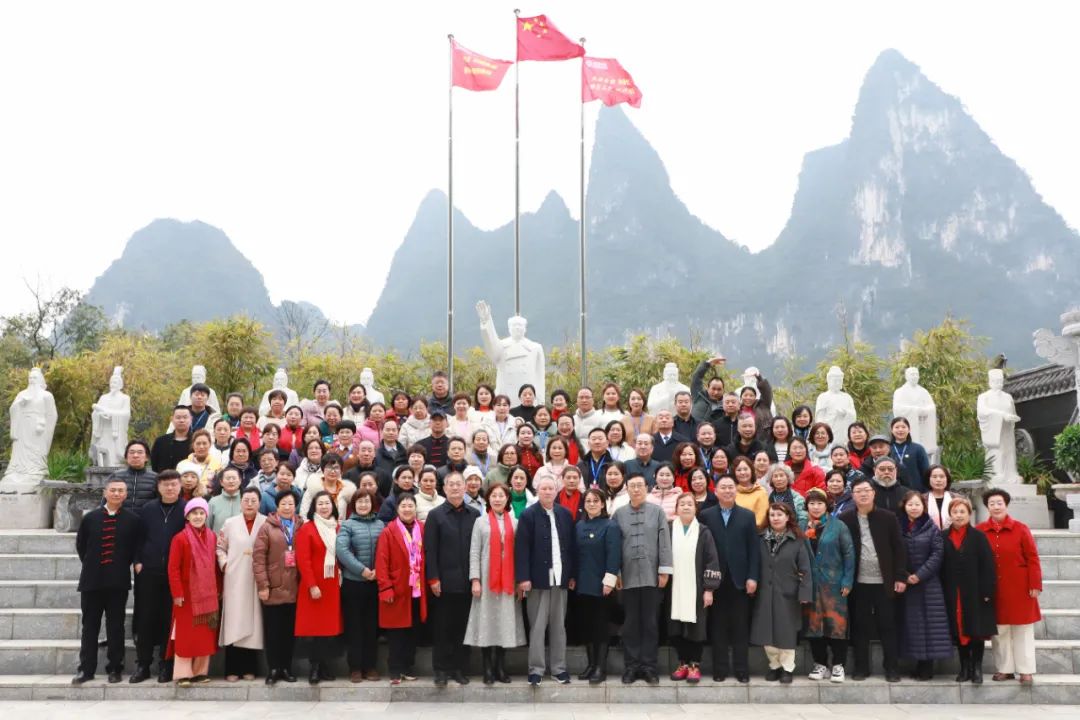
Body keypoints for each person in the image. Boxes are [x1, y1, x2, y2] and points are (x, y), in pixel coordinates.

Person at [73, 477, 141, 685]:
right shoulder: (90, 518)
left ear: (126, 494)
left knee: (116, 627)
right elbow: (82, 546)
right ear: (105, 493)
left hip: (117, 581)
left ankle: (115, 668)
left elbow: (135, 549)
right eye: (113, 490)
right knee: (89, 626)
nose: (116, 494)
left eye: (121, 490)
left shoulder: (133, 520)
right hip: (92, 580)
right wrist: (94, 564)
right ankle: (86, 669)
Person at [840, 477, 908, 682]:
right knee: (860, 626)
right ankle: (861, 667)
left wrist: (900, 576)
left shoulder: (888, 517)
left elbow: (899, 548)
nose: (863, 494)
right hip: (858, 583)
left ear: (873, 493)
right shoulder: (845, 518)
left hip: (884, 582)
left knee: (888, 625)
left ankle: (892, 668)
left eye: (866, 490)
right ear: (852, 496)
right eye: (858, 491)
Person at [613, 474, 673, 685]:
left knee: (650, 623)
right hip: (627, 577)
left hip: (651, 576)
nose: (636, 489)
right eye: (632, 486)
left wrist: (664, 570)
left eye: (640, 485)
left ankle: (649, 667)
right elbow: (614, 546)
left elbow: (664, 543)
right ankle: (631, 666)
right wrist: (616, 573)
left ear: (647, 488)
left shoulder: (657, 512)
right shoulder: (619, 514)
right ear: (627, 489)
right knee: (630, 624)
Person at [977, 488, 1042, 684]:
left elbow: (1032, 558)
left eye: (999, 503)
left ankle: (1026, 670)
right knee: (1000, 630)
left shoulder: (1021, 528)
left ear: (1006, 505)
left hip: (1020, 587)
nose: (996, 507)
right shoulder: (980, 530)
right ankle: (1005, 669)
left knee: (1023, 629)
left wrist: (1035, 583)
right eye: (992, 504)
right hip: (993, 589)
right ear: (987, 507)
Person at [699, 475, 760, 683]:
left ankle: (742, 670)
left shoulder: (747, 516)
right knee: (718, 627)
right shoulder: (706, 515)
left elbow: (754, 549)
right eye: (723, 487)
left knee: (740, 627)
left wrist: (752, 577)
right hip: (714, 579)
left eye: (730, 487)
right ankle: (720, 669)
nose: (727, 491)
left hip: (740, 580)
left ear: (736, 490)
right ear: (715, 492)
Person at [515, 475, 575, 686]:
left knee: (559, 626)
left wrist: (571, 575)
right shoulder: (528, 515)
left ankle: (559, 669)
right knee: (538, 626)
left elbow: (572, 547)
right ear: (537, 491)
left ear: (556, 491)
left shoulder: (565, 514)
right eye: (543, 489)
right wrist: (523, 578)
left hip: (560, 577)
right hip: (537, 579)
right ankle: (536, 669)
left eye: (551, 488)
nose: (547, 492)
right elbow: (522, 549)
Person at [465, 483, 527, 684]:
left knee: (503, 624)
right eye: (494, 496)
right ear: (488, 499)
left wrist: (519, 582)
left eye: (501, 496)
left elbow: (520, 554)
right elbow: (474, 552)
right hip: (486, 580)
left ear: (507, 499)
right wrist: (475, 580)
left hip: (508, 581)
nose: (498, 499)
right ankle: (487, 669)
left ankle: (500, 667)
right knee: (487, 624)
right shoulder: (480, 522)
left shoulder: (515, 523)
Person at [424, 472, 480, 686]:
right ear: (444, 489)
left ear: (465, 488)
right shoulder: (435, 515)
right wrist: (433, 578)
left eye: (459, 484)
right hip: (443, 583)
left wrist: (476, 579)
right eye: (451, 485)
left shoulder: (474, 514)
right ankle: (441, 670)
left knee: (463, 629)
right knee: (442, 629)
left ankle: (460, 669)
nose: (455, 488)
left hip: (467, 582)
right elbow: (430, 550)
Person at [130, 470, 186, 684]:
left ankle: (166, 664)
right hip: (148, 571)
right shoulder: (148, 509)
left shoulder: (186, 509)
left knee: (168, 619)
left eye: (173, 484)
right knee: (145, 618)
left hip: (174, 575)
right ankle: (143, 664)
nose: (170, 488)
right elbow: (138, 537)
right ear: (158, 487)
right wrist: (137, 561)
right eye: (165, 485)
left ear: (180, 486)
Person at [751, 503, 812, 683]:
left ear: (788, 517)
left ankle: (787, 668)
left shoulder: (798, 540)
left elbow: (805, 569)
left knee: (786, 631)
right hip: (764, 592)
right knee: (766, 630)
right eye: (772, 515)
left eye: (779, 514)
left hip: (788, 592)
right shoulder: (759, 538)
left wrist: (804, 593)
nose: (775, 518)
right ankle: (774, 665)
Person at [897, 490, 952, 680]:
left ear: (924, 507)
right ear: (904, 506)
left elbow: (937, 555)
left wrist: (919, 575)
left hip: (928, 583)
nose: (914, 508)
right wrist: (905, 575)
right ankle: (917, 664)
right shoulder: (898, 526)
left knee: (931, 625)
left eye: (917, 504)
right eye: (910, 504)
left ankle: (927, 667)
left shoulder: (932, 528)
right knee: (914, 626)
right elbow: (894, 552)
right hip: (906, 584)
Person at [668, 493, 722, 684]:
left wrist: (709, 589)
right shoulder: (668, 529)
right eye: (682, 504)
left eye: (689, 504)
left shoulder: (703, 531)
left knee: (695, 628)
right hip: (673, 588)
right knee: (676, 628)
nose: (685, 507)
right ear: (676, 508)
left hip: (696, 588)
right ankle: (682, 663)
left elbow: (711, 560)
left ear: (695, 508)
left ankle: (694, 665)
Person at [942, 496, 996, 685]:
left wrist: (987, 591)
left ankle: (977, 668)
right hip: (952, 592)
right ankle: (964, 667)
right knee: (958, 629)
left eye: (962, 512)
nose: (958, 515)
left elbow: (988, 565)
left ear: (969, 514)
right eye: (955, 512)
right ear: (950, 515)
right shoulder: (943, 536)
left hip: (975, 592)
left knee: (976, 629)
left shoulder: (978, 536)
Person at [167, 497, 220, 686]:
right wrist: (177, 593)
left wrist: (218, 589)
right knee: (185, 635)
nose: (198, 517)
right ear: (187, 516)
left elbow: (215, 566)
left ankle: (200, 672)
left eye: (201, 513)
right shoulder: (180, 538)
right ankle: (183, 674)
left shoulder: (212, 536)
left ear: (206, 515)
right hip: (187, 595)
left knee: (205, 635)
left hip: (208, 595)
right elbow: (173, 568)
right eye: (194, 513)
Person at [803, 488, 854, 683]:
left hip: (834, 583)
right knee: (814, 625)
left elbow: (849, 553)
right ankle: (820, 663)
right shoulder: (801, 526)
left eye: (820, 503)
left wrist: (847, 580)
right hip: (810, 584)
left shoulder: (838, 526)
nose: (816, 507)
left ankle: (839, 665)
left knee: (837, 624)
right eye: (812, 504)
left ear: (827, 506)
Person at [570, 487, 621, 685]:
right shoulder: (579, 526)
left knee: (601, 626)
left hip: (601, 585)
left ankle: (601, 667)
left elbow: (614, 554)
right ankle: (591, 665)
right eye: (588, 501)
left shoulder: (610, 525)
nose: (591, 504)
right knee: (586, 626)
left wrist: (609, 580)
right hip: (582, 584)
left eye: (595, 501)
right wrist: (573, 577)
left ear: (602, 504)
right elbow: (574, 555)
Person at [377, 492, 428, 685]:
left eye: (410, 506)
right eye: (403, 506)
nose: (407, 509)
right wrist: (385, 587)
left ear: (416, 508)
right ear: (397, 509)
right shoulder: (389, 531)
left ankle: (407, 667)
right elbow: (381, 562)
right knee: (396, 633)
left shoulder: (422, 528)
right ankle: (395, 670)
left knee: (412, 631)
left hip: (417, 589)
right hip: (397, 588)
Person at [216, 486, 266, 681]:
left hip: (256, 578)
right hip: (234, 578)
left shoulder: (265, 523)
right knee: (234, 621)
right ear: (240, 502)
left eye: (254, 500)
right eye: (246, 500)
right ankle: (232, 668)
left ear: (259, 503)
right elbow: (220, 548)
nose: (250, 504)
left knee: (254, 622)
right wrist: (225, 564)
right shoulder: (230, 523)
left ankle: (249, 667)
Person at [294, 491, 343, 684]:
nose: (324, 507)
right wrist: (312, 585)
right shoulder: (307, 529)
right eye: (320, 503)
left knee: (328, 630)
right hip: (314, 586)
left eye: (327, 503)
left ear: (333, 506)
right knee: (314, 630)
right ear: (314, 507)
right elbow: (303, 560)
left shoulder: (338, 527)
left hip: (333, 585)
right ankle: (314, 667)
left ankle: (325, 666)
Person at [254, 492, 302, 685]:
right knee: (273, 631)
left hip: (295, 587)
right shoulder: (267, 527)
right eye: (284, 503)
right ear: (277, 506)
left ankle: (287, 668)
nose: (287, 507)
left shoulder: (301, 525)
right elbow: (258, 559)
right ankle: (273, 669)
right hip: (273, 586)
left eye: (291, 503)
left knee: (289, 632)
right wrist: (263, 585)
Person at [336, 489, 384, 682]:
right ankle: (355, 667)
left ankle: (370, 666)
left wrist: (379, 570)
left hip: (375, 583)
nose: (363, 505)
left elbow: (385, 550)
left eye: (367, 501)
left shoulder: (380, 524)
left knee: (372, 627)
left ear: (373, 504)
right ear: (353, 505)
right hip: (354, 583)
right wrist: (361, 570)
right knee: (355, 627)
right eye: (359, 502)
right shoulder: (348, 525)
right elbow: (342, 550)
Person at [300, 453, 357, 519]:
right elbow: (303, 514)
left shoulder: (347, 491)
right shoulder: (313, 488)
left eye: (336, 468)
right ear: (323, 469)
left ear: (341, 471)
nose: (332, 471)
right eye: (329, 467)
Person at [111, 440, 158, 511]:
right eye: (132, 452)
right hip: (120, 517)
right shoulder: (116, 476)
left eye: (140, 452)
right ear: (126, 457)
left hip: (146, 517)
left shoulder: (155, 478)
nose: (135, 455)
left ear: (147, 457)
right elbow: (106, 501)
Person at [889, 417, 931, 492]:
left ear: (909, 430)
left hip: (916, 491)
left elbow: (926, 472)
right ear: (892, 430)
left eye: (903, 427)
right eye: (897, 427)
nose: (900, 430)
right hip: (893, 491)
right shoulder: (887, 449)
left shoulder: (918, 448)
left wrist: (926, 491)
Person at [151, 406, 193, 472]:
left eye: (185, 417)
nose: (181, 420)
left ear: (191, 419)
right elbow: (154, 465)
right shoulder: (161, 441)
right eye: (178, 417)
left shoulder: (196, 441)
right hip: (165, 477)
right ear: (172, 419)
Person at [732, 455, 768, 529]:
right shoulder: (731, 491)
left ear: (751, 470)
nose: (742, 472)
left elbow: (761, 520)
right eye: (739, 470)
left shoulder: (761, 492)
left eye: (745, 469)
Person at [766, 463, 807, 527]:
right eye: (775, 476)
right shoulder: (767, 498)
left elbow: (803, 519)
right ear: (771, 480)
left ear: (788, 478)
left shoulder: (797, 498)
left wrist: (797, 532)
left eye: (781, 475)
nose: (779, 479)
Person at [690, 356, 727, 424]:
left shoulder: (726, 405)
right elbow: (696, 377)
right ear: (708, 387)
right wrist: (707, 363)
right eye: (713, 389)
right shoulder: (699, 396)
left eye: (719, 389)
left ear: (723, 390)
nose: (716, 392)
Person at [208, 466, 243, 533]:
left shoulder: (246, 501)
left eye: (234, 478)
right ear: (221, 482)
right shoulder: (213, 502)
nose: (231, 481)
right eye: (228, 478)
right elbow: (207, 526)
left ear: (240, 481)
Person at [926, 465, 956, 530]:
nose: (938, 480)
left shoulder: (957, 498)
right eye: (934, 477)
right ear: (928, 479)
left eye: (942, 477)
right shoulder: (922, 499)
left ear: (947, 479)